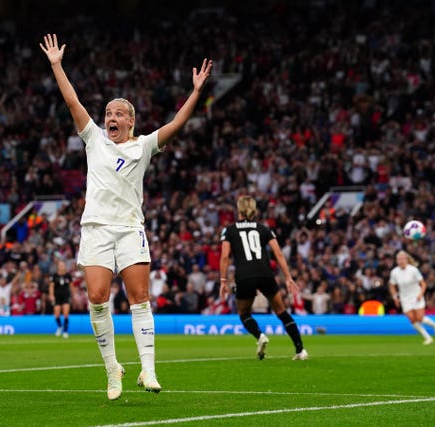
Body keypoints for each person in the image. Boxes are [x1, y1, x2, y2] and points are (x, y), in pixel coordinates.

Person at [40, 33, 212, 400]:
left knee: (140, 298)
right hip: (97, 229)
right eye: (108, 114)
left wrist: (195, 92)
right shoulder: (94, 140)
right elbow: (72, 102)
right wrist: (57, 66)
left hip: (130, 229)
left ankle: (148, 370)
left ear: (131, 121)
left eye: (118, 114)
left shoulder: (145, 146)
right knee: (98, 297)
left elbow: (176, 125)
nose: (110, 118)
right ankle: (112, 370)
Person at [219, 196, 307, 361]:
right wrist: (288, 277)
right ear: (254, 210)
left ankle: (260, 336)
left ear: (239, 210)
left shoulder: (229, 230)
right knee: (281, 311)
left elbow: (225, 257)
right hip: (265, 273)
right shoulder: (264, 229)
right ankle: (300, 350)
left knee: (244, 313)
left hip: (245, 276)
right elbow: (278, 253)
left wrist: (223, 281)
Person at [389, 250, 435, 344]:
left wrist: (420, 294)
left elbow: (423, 283)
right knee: (412, 319)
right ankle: (428, 338)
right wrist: (395, 297)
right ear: (396, 261)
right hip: (404, 298)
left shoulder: (413, 270)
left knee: (420, 318)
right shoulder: (394, 272)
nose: (401, 261)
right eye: (398, 259)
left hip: (416, 295)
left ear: (406, 259)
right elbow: (392, 285)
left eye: (402, 259)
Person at [49, 260, 73, 338]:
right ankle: (60, 326)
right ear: (58, 266)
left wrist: (73, 296)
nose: (62, 267)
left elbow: (71, 286)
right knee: (57, 313)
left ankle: (65, 331)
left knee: (66, 314)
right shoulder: (54, 276)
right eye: (60, 265)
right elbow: (51, 286)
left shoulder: (68, 276)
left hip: (66, 296)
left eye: (63, 265)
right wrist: (51, 295)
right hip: (57, 297)